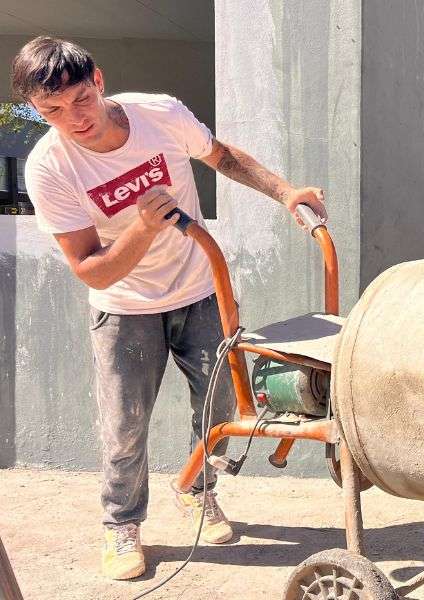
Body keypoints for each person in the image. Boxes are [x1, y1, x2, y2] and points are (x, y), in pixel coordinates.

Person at [13, 36, 327, 580]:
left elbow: (222, 156)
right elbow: (91, 267)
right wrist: (141, 226)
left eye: (81, 99)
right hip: (124, 307)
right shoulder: (49, 168)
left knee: (219, 405)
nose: (74, 119)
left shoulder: (159, 114)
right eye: (52, 111)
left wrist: (285, 192)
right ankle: (121, 525)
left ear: (100, 81)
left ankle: (196, 489)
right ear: (38, 110)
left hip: (203, 290)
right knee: (124, 425)